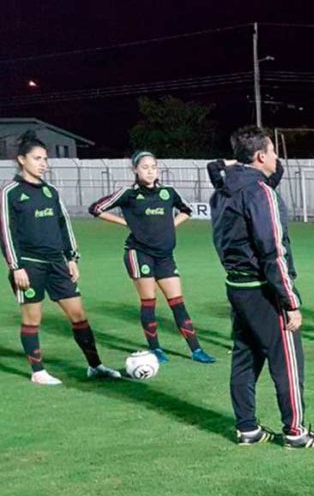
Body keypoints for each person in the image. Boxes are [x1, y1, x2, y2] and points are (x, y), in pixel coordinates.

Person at [210, 126, 314, 447]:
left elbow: (233, 172)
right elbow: (272, 249)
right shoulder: (260, 194)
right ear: (261, 155)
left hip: (236, 286)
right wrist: (290, 300)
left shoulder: (224, 188)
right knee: (288, 361)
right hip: (264, 289)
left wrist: (235, 162)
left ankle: (247, 428)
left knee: (245, 356)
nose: (278, 158)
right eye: (273, 151)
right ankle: (295, 432)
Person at [2, 131, 122, 384]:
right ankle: (38, 372)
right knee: (32, 318)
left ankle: (95, 365)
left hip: (57, 264)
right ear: (22, 160)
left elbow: (63, 225)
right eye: (37, 158)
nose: (43, 163)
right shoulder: (10, 192)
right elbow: (5, 231)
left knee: (78, 315)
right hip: (29, 266)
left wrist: (72, 258)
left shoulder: (51, 192)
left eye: (45, 158)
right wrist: (16, 267)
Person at [89, 151, 216, 364]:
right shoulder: (128, 194)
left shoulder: (168, 192)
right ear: (135, 170)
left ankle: (196, 350)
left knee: (177, 302)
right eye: (145, 167)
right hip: (139, 254)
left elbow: (186, 210)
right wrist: (125, 223)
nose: (150, 171)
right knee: (149, 301)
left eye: (153, 167)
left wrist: (171, 225)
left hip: (165, 255)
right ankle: (155, 349)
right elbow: (96, 208)